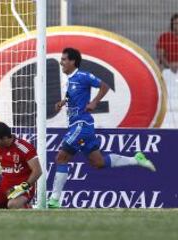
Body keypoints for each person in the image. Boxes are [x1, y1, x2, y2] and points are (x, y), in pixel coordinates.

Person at [47, 48, 156, 208]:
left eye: (64, 59)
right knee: (98, 163)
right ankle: (136, 159)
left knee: (61, 157)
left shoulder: (83, 76)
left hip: (81, 125)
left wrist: (95, 102)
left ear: (73, 62)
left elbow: (104, 86)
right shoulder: (70, 80)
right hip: (81, 126)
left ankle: (54, 200)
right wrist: (63, 102)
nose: (61, 62)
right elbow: (73, 95)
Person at [156, 13, 178, 128]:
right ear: (172, 24)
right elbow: (160, 55)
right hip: (168, 70)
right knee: (169, 97)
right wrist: (170, 65)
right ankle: (168, 124)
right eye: (175, 24)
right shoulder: (165, 37)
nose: (177, 26)